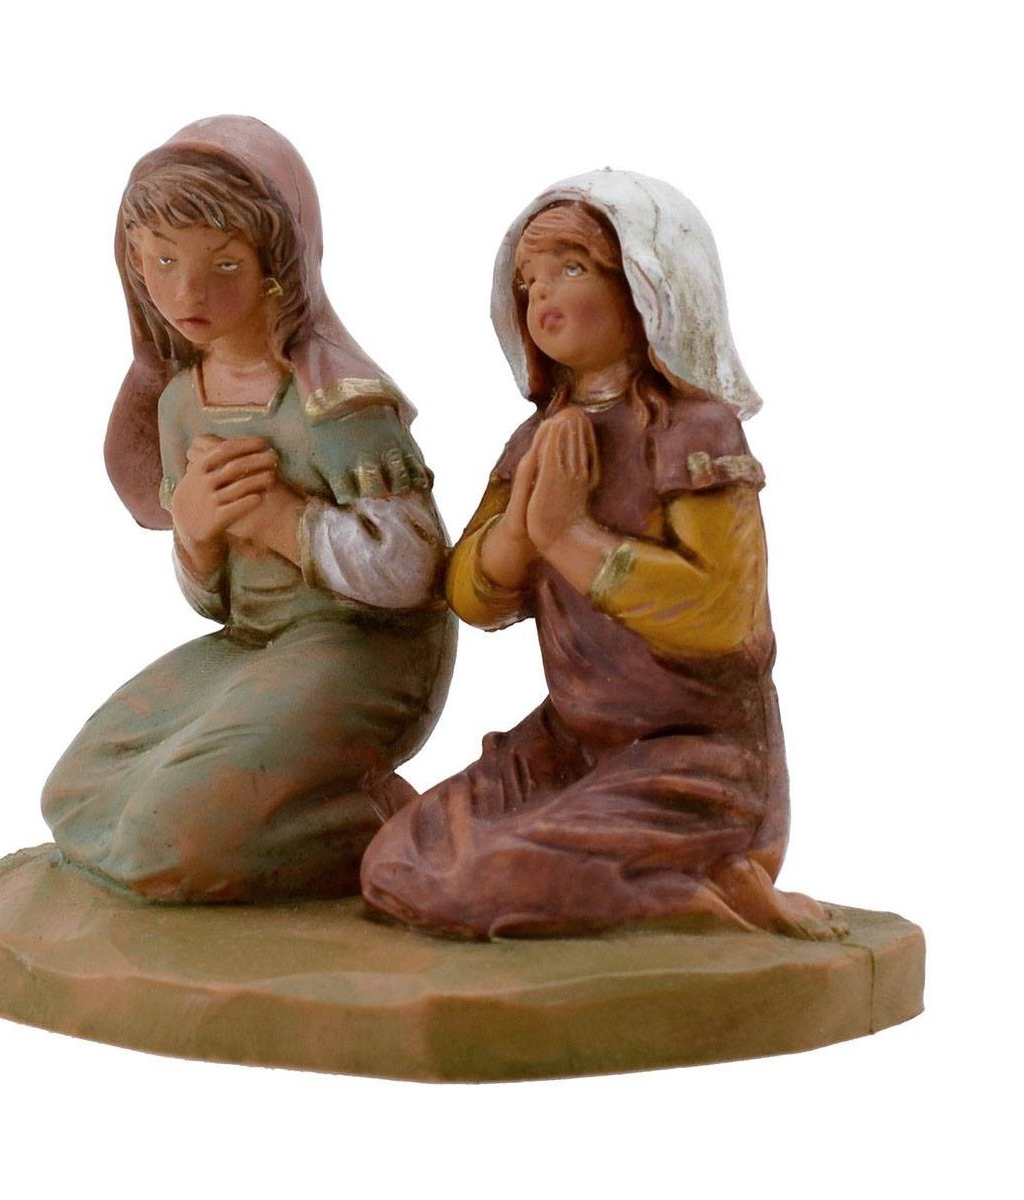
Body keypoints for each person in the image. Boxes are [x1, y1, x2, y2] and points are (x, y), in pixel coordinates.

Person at [361, 171, 837, 939]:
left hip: (697, 755)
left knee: (475, 881)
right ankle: (664, 886)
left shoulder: (692, 432)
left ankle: (709, 885)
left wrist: (570, 537)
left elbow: (722, 614)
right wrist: (522, 533)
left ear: (647, 286)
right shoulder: (535, 439)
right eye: (528, 281)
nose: (542, 294)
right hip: (573, 740)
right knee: (395, 864)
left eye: (572, 268)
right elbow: (472, 598)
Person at [42, 117, 455, 902]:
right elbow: (218, 603)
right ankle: (263, 815)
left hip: (366, 654)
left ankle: (385, 823)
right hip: (254, 644)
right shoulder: (179, 405)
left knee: (166, 844)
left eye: (223, 264)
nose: (186, 294)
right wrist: (195, 535)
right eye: (163, 261)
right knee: (80, 794)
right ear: (132, 262)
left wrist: (283, 522)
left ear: (279, 268)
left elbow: (414, 570)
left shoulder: (336, 402)